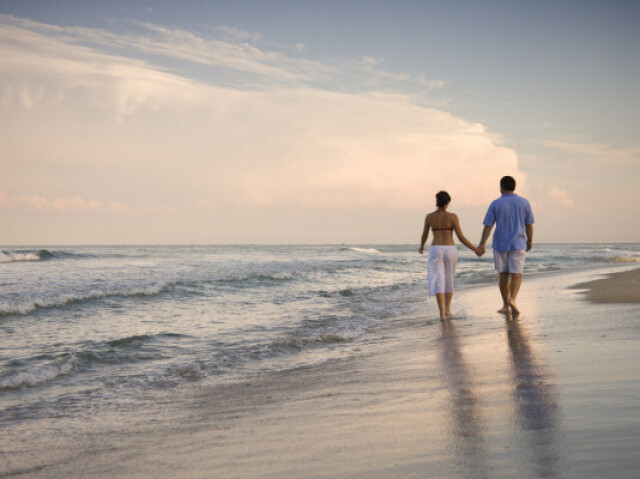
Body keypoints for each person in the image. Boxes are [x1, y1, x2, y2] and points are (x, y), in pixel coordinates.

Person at [477, 176, 534, 316]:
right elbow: (529, 225)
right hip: (519, 242)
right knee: (516, 274)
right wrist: (530, 241)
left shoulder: (495, 204)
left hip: (500, 244)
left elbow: (488, 226)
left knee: (503, 274)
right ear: (514, 187)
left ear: (501, 186)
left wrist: (482, 244)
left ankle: (505, 305)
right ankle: (512, 299)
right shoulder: (524, 203)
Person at [419, 191, 479, 321]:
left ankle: (441, 313)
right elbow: (461, 238)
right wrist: (475, 249)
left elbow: (425, 235)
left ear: (437, 202)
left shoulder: (429, 217)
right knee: (448, 279)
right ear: (447, 203)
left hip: (436, 248)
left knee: (438, 280)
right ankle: (447, 309)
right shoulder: (453, 217)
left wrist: (422, 246)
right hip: (450, 248)